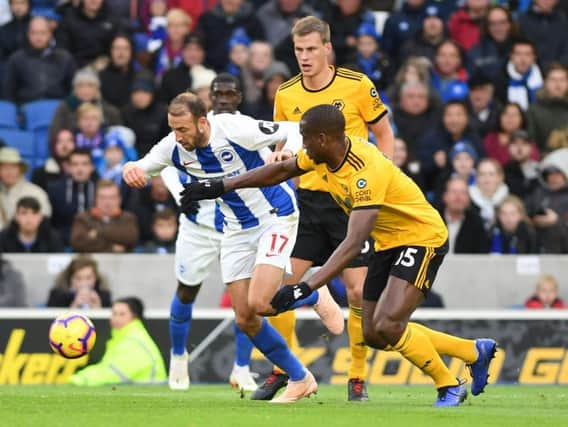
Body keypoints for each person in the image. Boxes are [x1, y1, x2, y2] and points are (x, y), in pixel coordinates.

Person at [181, 103, 498, 407]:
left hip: (421, 237)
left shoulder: (364, 170)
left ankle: (449, 385)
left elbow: (353, 241)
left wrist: (308, 287)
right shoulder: (323, 155)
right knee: (374, 332)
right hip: (387, 242)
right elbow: (278, 171)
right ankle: (472, 352)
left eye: (305, 137)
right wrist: (222, 186)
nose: (301, 144)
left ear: (323, 138)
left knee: (388, 325)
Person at [122, 92, 343, 403]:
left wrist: (288, 152)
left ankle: (314, 292)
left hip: (274, 215)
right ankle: (300, 378)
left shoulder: (232, 128)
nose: (178, 136)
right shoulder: (173, 147)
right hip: (236, 230)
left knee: (262, 302)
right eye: (173, 129)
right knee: (245, 318)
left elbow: (292, 128)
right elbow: (141, 166)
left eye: (183, 129)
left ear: (202, 122)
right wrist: (130, 169)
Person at [263, 15, 395, 402]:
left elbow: (384, 131)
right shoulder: (286, 94)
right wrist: (282, 155)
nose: (304, 57)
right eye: (298, 50)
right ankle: (285, 372)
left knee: (357, 294)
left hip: (351, 203)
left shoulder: (356, 85)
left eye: (310, 50)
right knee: (278, 289)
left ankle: (356, 376)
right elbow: (282, 145)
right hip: (308, 204)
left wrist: (382, 180)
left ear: (327, 49)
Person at [156, 73, 260, 391]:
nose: (225, 99)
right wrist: (181, 197)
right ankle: (177, 357)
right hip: (199, 225)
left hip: (239, 227)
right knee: (187, 290)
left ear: (239, 97)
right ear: (210, 99)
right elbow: (167, 164)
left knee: (247, 301)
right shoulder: (190, 129)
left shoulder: (246, 129)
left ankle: (242, 368)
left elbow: (268, 165)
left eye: (231, 94)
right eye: (219, 94)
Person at [68, 297, 167, 385]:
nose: (116, 318)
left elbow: (111, 374)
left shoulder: (134, 342)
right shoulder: (124, 338)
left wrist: (79, 379)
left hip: (149, 394)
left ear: (135, 317)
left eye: (122, 314)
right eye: (114, 313)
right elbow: (105, 368)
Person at [0, 147, 52, 230]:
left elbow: (44, 223)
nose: (9, 171)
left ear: (20, 170)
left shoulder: (36, 193)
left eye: (13, 167)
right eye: (4, 167)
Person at [47, 254, 112, 308]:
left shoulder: (104, 295)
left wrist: (98, 308)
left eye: (88, 278)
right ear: (71, 278)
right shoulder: (57, 295)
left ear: (95, 278)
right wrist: (74, 306)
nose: (84, 283)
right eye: (78, 278)